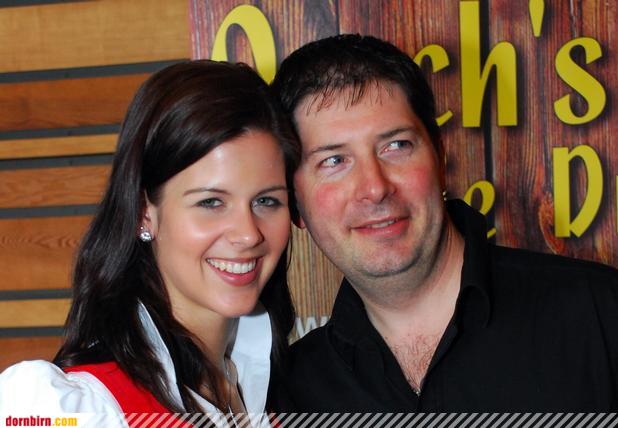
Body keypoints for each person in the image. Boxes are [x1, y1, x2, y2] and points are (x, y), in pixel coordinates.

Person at [268, 34, 618, 411]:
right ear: (295, 205)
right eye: (334, 161)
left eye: (396, 146)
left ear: (439, 157)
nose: (375, 188)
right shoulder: (289, 397)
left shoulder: (600, 314)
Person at [0, 60, 300, 425]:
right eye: (211, 202)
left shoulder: (276, 392)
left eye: (266, 200)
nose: (248, 233)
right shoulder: (74, 409)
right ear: (144, 212)